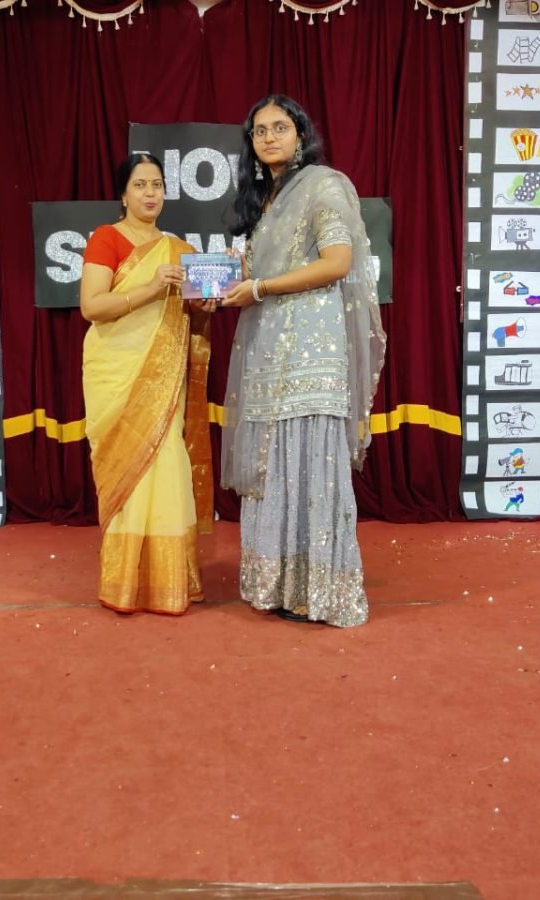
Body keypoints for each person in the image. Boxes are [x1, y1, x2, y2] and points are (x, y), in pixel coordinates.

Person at [220, 95, 387, 627]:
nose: (269, 137)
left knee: (309, 460)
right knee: (272, 463)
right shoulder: (266, 202)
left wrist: (259, 287)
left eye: (280, 127)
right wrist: (229, 281)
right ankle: (281, 588)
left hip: (312, 346)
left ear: (300, 134)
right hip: (268, 344)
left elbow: (337, 262)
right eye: (259, 131)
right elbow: (261, 276)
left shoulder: (323, 185)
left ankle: (319, 591)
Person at [80, 152, 214, 616]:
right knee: (128, 471)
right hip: (115, 374)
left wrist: (204, 305)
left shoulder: (180, 250)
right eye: (140, 185)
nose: (150, 193)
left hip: (163, 380)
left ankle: (168, 580)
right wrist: (152, 288)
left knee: (168, 462)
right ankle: (125, 583)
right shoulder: (107, 238)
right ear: (123, 194)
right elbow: (92, 306)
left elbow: (193, 313)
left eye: (157, 184)